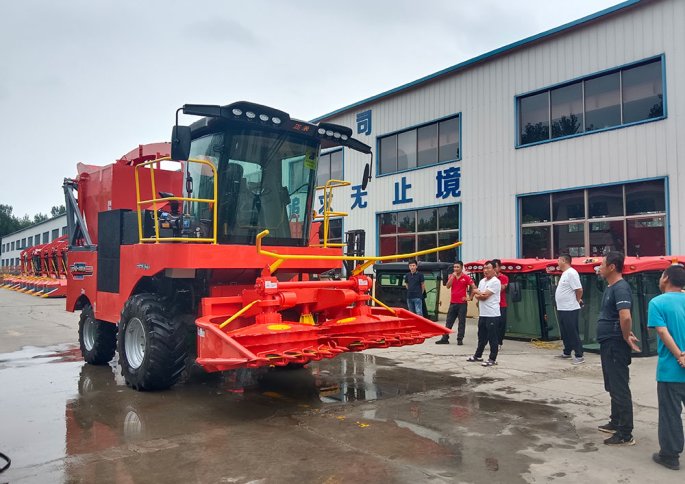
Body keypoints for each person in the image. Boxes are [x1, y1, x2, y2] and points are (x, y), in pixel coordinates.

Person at [596, 251, 641, 446]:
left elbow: (626, 316)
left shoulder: (621, 288)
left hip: (615, 344)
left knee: (619, 386)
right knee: (612, 384)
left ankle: (625, 432)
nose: (599, 267)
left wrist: (625, 334)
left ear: (612, 267)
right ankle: (615, 421)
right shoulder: (611, 287)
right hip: (608, 342)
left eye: (602, 264)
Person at [647, 264, 685, 471]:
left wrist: (680, 355)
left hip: (671, 370)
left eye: (662, 275)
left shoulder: (657, 302)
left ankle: (670, 455)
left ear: (667, 278)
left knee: (671, 413)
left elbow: (662, 332)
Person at [467, 261, 501, 367]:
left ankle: (492, 358)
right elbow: (478, 293)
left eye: (488, 268)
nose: (485, 270)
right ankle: (478, 355)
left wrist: (478, 294)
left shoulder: (495, 282)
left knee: (492, 337)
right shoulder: (482, 281)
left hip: (493, 314)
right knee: (481, 336)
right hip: (483, 314)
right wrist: (479, 294)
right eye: (484, 268)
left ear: (494, 269)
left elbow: (484, 296)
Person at [436, 261, 477, 345]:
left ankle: (460, 339)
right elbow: (447, 286)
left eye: (457, 267)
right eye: (454, 267)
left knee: (461, 322)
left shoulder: (466, 277)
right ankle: (445, 338)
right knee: (449, 321)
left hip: (462, 304)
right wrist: (452, 277)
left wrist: (470, 297)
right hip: (453, 303)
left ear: (461, 268)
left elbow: (474, 287)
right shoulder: (452, 276)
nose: (456, 269)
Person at [554, 254, 585, 364]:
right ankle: (567, 351)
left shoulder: (572, 273)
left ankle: (579, 354)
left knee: (572, 331)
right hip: (562, 308)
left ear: (564, 260)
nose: (557, 262)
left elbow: (579, 289)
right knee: (565, 331)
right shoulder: (564, 274)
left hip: (570, 308)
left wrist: (577, 300)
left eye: (558, 260)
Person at [492, 259, 509, 346]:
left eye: (495, 267)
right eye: (492, 267)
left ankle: (499, 342)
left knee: (501, 324)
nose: (494, 269)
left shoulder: (504, 278)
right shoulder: (487, 279)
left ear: (499, 267)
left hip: (501, 304)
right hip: (491, 305)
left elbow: (501, 288)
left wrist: (495, 279)